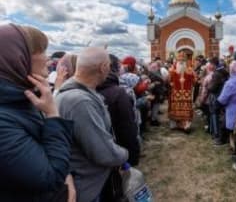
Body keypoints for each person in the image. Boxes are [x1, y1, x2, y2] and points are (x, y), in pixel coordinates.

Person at [0, 24, 74, 202]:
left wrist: (68, 175)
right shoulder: (4, 118)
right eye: (42, 51)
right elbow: (50, 176)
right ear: (19, 58)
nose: (48, 59)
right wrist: (52, 115)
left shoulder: (23, 98)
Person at [56, 47, 128, 202]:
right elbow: (102, 151)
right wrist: (124, 154)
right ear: (103, 68)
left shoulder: (78, 93)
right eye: (108, 65)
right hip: (87, 187)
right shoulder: (80, 101)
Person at [97, 54, 140, 166]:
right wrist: (132, 157)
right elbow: (127, 127)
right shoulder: (119, 93)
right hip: (117, 152)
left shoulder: (89, 88)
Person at [168, 52, 195, 132]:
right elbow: (169, 80)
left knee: (186, 110)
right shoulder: (172, 69)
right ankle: (175, 124)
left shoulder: (190, 69)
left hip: (186, 93)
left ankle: (186, 125)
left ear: (185, 60)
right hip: (176, 93)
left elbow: (194, 79)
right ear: (177, 59)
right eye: (180, 59)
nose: (181, 60)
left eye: (183, 59)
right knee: (175, 108)